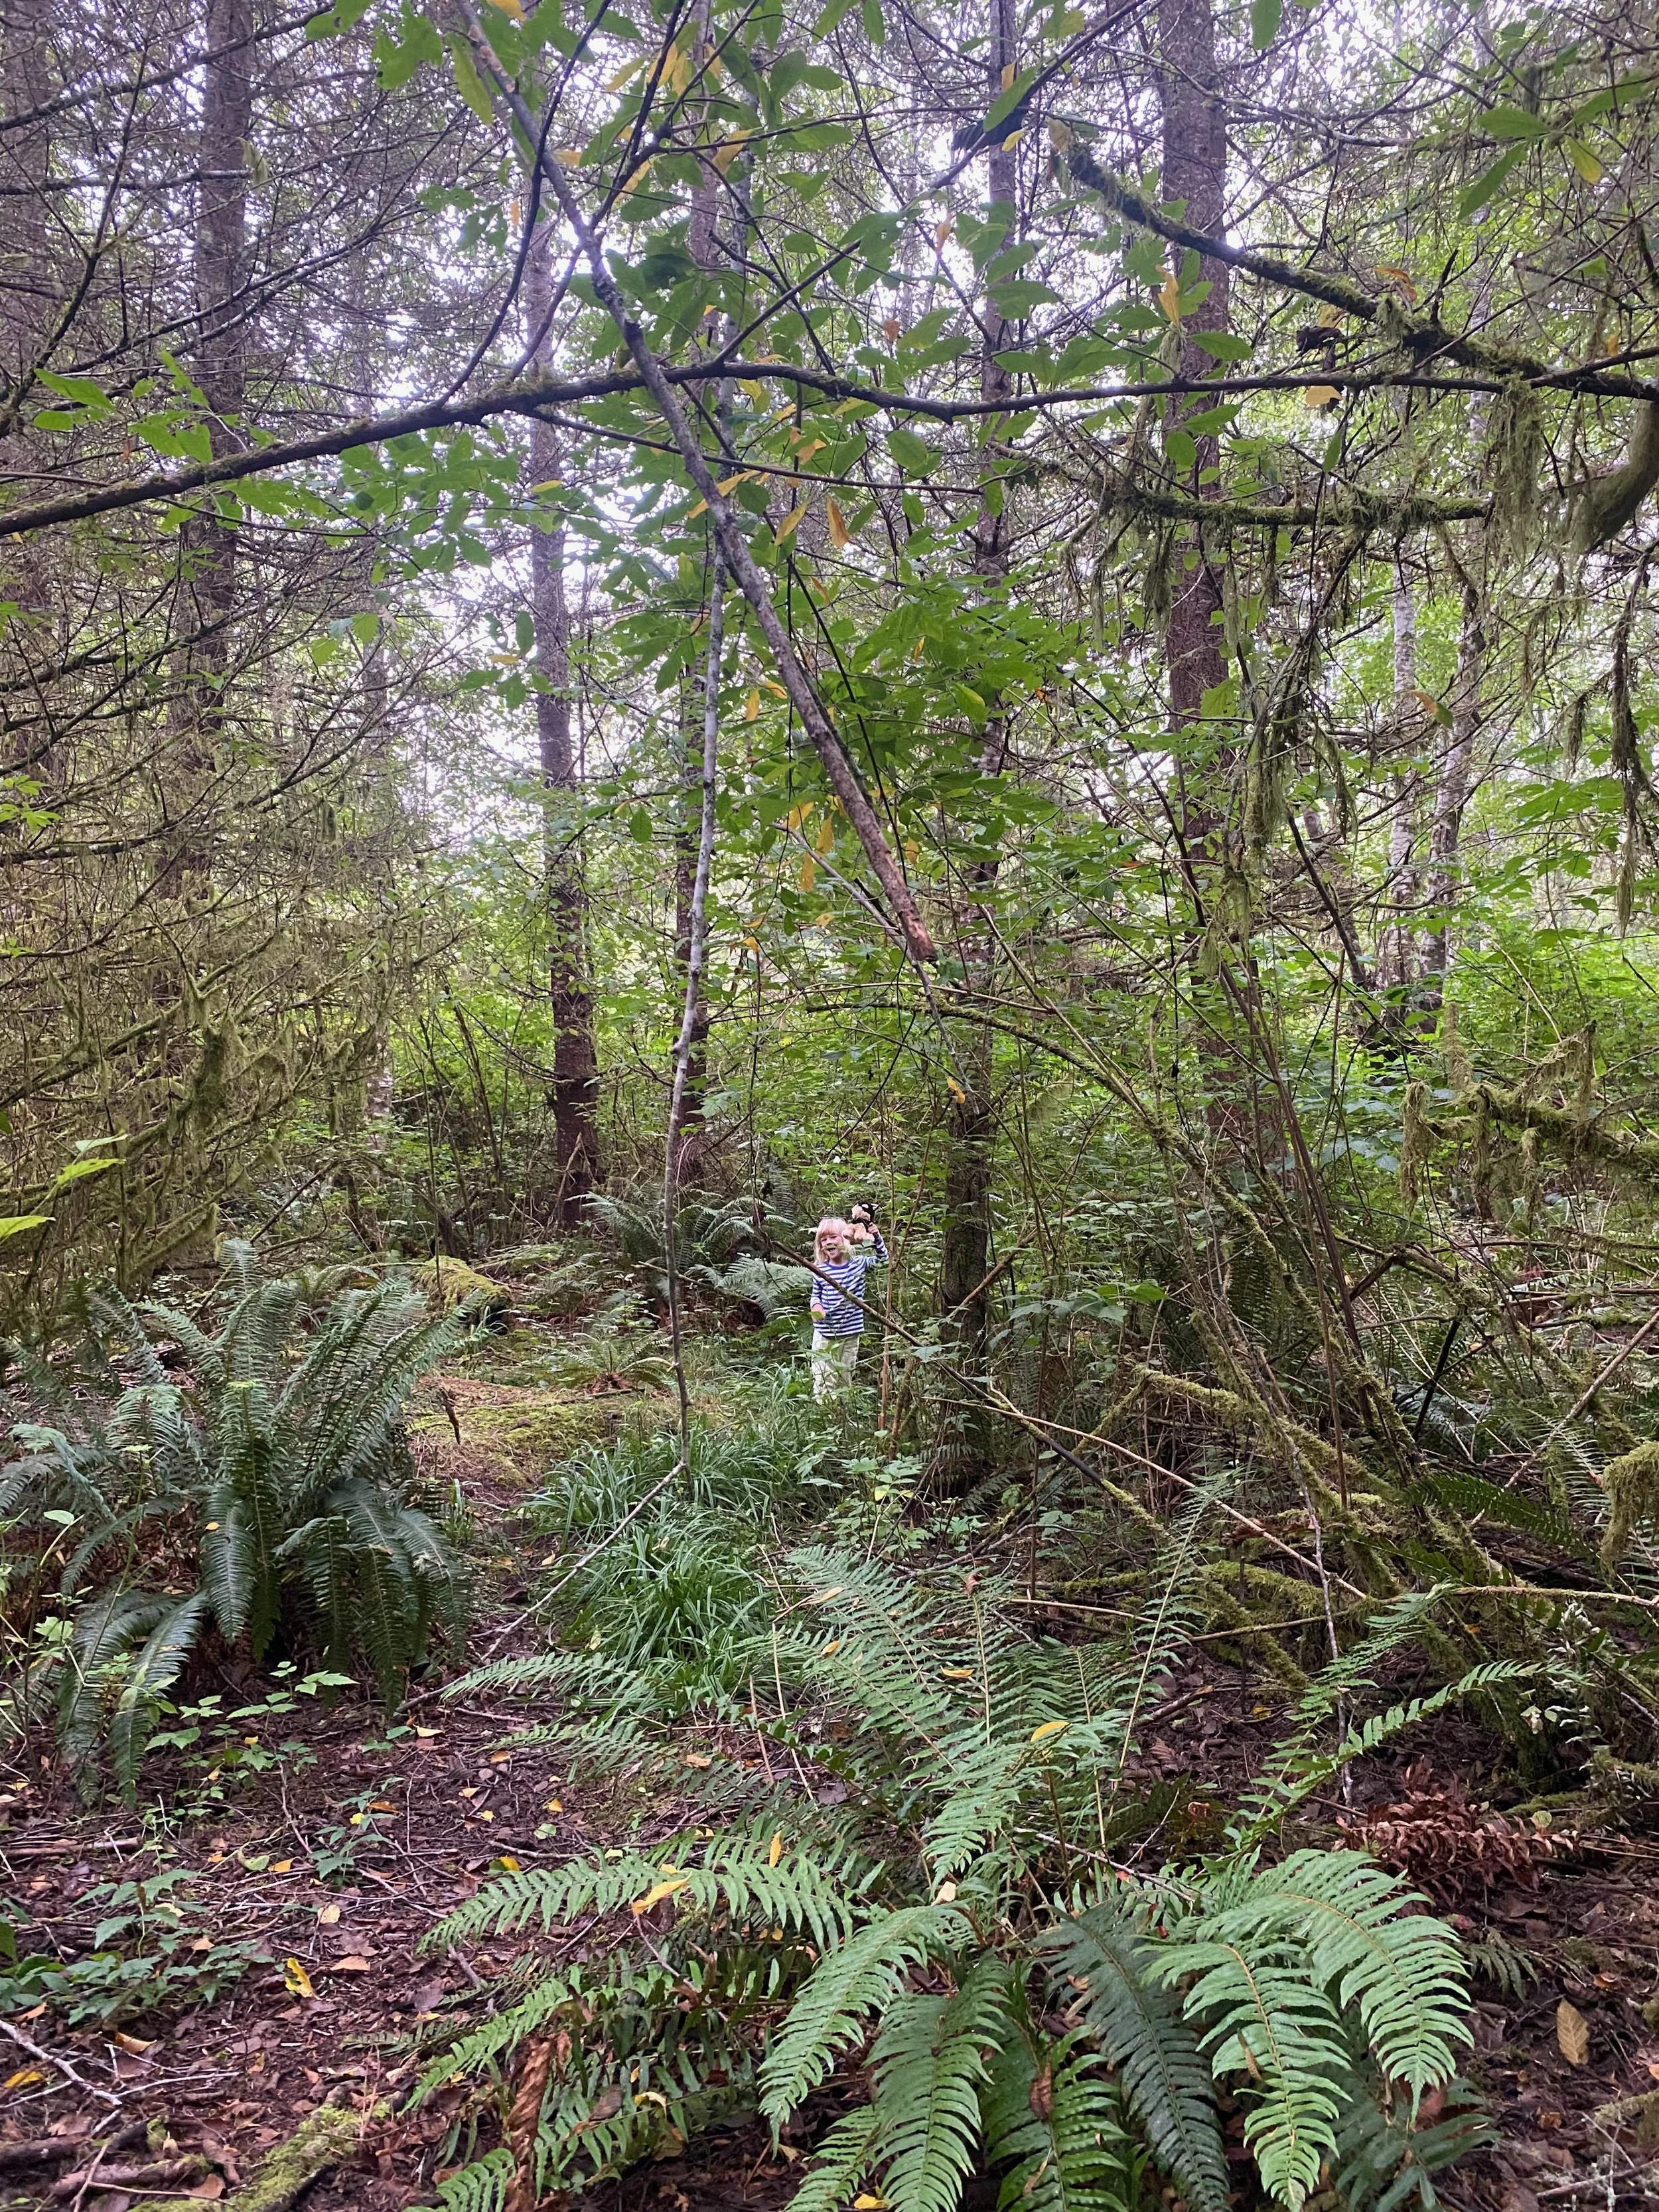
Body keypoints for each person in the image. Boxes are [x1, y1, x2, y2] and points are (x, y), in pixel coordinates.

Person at [808, 1205, 888, 1402]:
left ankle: (843, 1416)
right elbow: (815, 1295)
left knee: (845, 1376)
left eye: (833, 1237)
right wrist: (816, 1309)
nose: (828, 1243)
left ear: (846, 1237)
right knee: (824, 1377)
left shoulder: (858, 1264)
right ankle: (824, 1416)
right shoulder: (820, 1269)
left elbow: (883, 1261)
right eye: (823, 1240)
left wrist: (876, 1237)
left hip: (850, 1333)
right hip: (825, 1334)